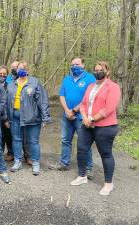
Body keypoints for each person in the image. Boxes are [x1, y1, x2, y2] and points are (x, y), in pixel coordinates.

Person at [70, 61, 121, 196]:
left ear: (107, 71)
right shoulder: (91, 86)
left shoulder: (113, 87)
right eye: (96, 69)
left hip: (105, 127)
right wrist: (85, 117)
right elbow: (84, 103)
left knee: (105, 154)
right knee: (81, 149)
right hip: (87, 125)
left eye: (100, 70)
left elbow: (109, 108)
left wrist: (92, 119)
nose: (97, 72)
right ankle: (82, 176)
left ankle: (109, 184)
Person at [49, 57, 95, 178]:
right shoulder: (67, 79)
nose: (75, 66)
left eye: (77, 64)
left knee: (84, 143)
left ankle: (88, 168)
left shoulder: (90, 78)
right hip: (66, 116)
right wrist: (67, 111)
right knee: (65, 140)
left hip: (82, 117)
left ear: (83, 65)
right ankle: (64, 163)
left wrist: (74, 110)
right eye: (73, 64)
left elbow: (88, 98)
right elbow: (62, 95)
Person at [6, 61, 51, 175]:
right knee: (16, 140)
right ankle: (17, 161)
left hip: (32, 118)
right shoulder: (11, 84)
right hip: (15, 117)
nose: (20, 70)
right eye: (18, 68)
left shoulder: (34, 82)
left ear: (27, 70)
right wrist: (6, 118)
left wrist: (45, 117)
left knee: (33, 141)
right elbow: (6, 102)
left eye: (23, 68)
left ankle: (36, 163)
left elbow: (42, 100)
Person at [0, 66, 12, 160]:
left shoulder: (10, 86)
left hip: (7, 115)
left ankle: (10, 153)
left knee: (8, 135)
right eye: (0, 73)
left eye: (4, 74)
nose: (2, 75)